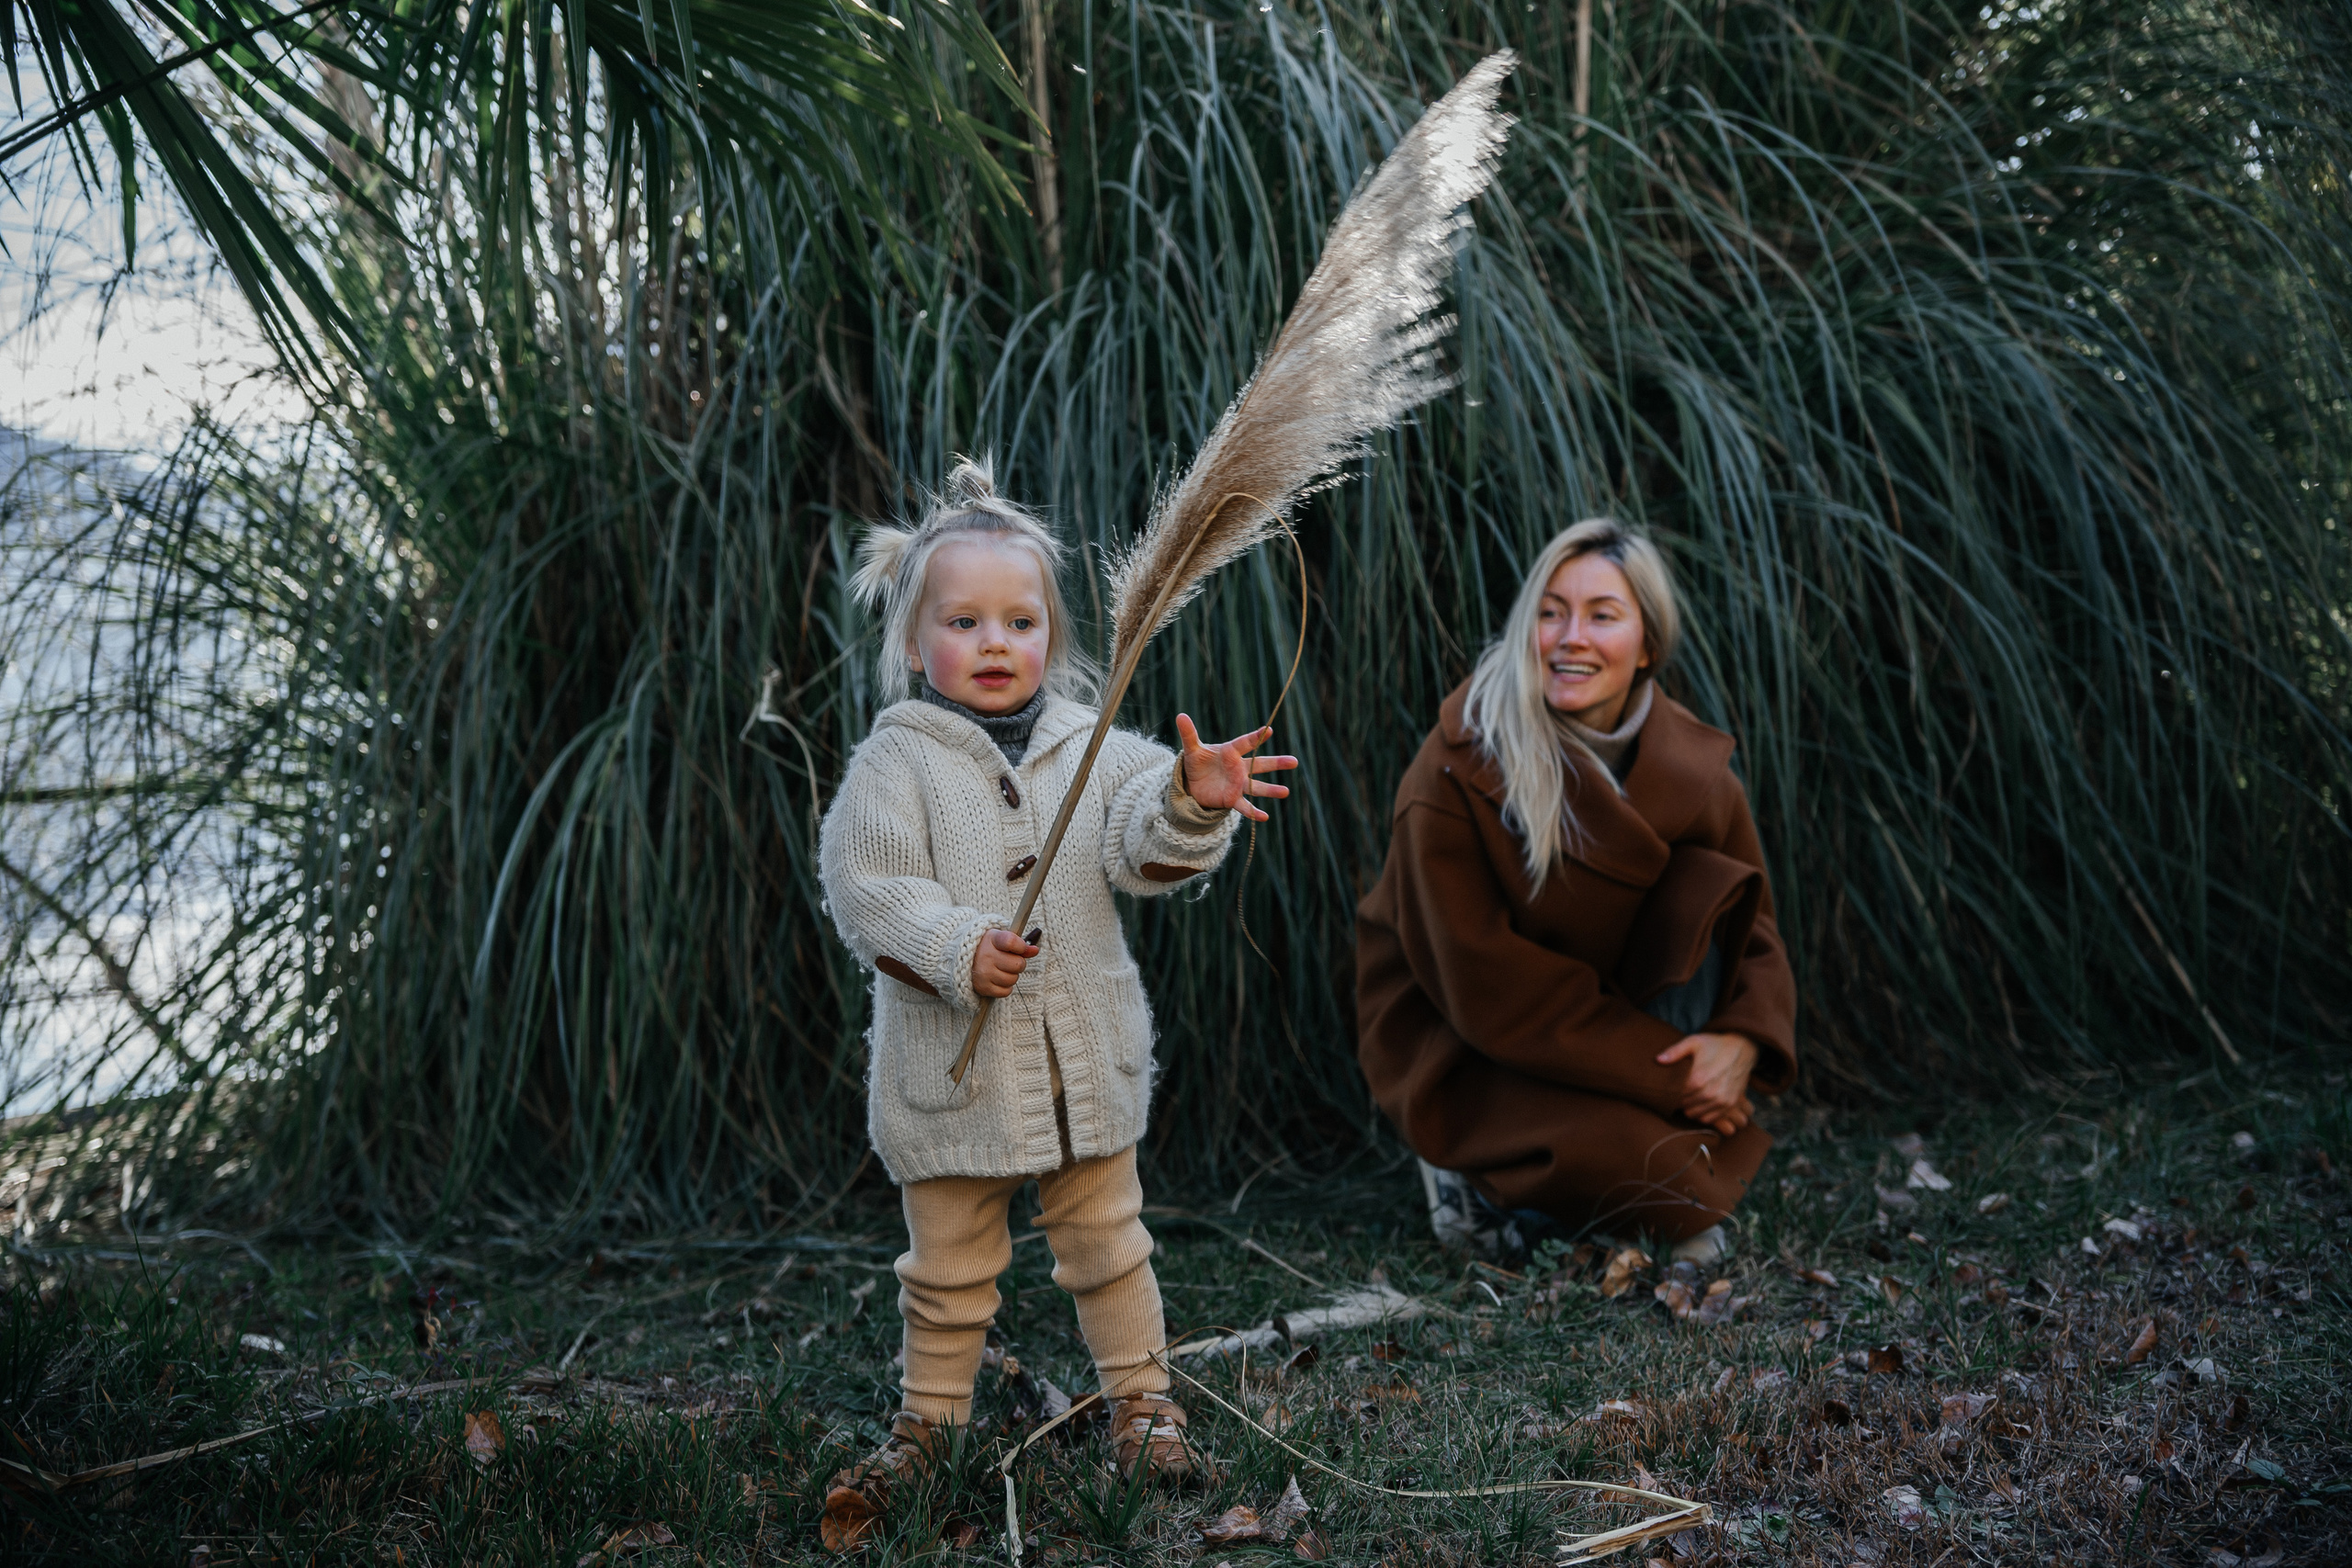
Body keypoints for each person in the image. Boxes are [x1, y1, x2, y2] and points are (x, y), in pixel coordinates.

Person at [815, 458, 1298, 1529]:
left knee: (1110, 1241)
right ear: (913, 643)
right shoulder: (894, 764)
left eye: (1021, 622)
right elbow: (867, 888)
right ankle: (926, 1431)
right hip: (955, 1076)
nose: (997, 643)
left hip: (1086, 1065)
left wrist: (1189, 799)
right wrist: (953, 946)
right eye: (966, 621)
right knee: (946, 1270)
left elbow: (1140, 840)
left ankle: (1144, 1405)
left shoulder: (1094, 743)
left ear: (1054, 636)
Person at [1354, 518, 1796, 1267]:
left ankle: (1577, 1164)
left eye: (1602, 615)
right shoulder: (1460, 764)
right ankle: (1470, 1184)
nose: (1569, 638)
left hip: (1609, 1022)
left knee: (1712, 881)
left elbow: (1756, 930)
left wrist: (1741, 1041)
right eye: (1551, 612)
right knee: (1674, 1183)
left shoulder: (1694, 765)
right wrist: (1680, 1073)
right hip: (1465, 1036)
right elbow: (1493, 991)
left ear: (1648, 645)